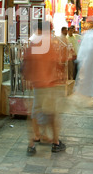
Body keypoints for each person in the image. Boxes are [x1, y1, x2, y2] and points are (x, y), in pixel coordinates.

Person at [22, 21, 66, 155]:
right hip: (48, 84)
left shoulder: (33, 44)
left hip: (36, 84)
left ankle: (33, 142)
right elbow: (55, 64)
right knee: (51, 114)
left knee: (35, 113)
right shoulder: (47, 44)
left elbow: (26, 63)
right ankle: (55, 142)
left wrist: (30, 80)